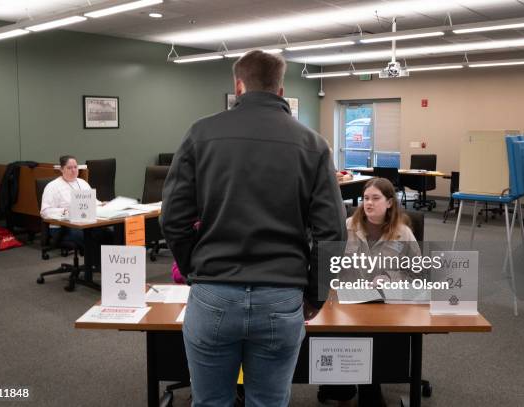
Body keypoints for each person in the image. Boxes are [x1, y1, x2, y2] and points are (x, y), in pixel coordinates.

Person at [161, 50, 346, 407]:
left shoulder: (201, 133)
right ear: (281, 89)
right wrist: (315, 294)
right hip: (281, 295)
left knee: (210, 401)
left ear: (238, 85)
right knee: (269, 402)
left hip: (213, 291)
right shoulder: (313, 144)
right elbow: (332, 233)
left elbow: (172, 218)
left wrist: (194, 270)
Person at [320, 177, 420, 407]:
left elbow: (419, 272)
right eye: (366, 198)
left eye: (376, 198)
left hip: (385, 304)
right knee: (343, 337)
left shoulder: (402, 233)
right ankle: (342, 392)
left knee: (374, 340)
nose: (369, 203)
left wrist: (390, 278)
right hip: (347, 302)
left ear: (389, 203)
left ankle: (369, 391)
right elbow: (325, 266)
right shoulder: (346, 227)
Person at [40, 155, 108, 268]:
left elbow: (93, 202)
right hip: (63, 228)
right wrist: (66, 211)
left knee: (107, 233)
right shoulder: (52, 187)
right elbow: (45, 212)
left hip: (86, 223)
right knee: (88, 236)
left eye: (75, 167)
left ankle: (104, 265)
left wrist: (102, 204)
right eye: (69, 168)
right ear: (61, 169)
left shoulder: (82, 183)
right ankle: (98, 266)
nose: (73, 170)